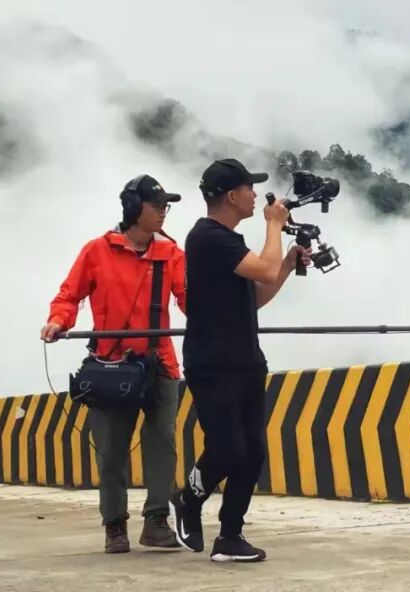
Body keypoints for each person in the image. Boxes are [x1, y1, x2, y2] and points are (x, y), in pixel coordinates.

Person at [168, 158, 311, 562]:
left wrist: (287, 264)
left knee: (252, 452)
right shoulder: (207, 237)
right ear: (232, 196)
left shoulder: (227, 242)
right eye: (250, 188)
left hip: (246, 358)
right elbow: (263, 270)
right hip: (212, 362)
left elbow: (257, 296)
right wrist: (274, 226)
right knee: (228, 447)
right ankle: (188, 498)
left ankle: (230, 536)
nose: (255, 195)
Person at [40, 174, 188, 553]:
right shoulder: (97, 251)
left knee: (163, 444)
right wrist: (58, 321)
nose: (163, 213)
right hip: (111, 367)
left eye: (166, 207)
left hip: (159, 365)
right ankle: (114, 525)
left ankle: (157, 521)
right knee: (111, 451)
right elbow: (68, 296)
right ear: (134, 208)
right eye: (157, 206)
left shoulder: (171, 254)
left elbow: (191, 301)